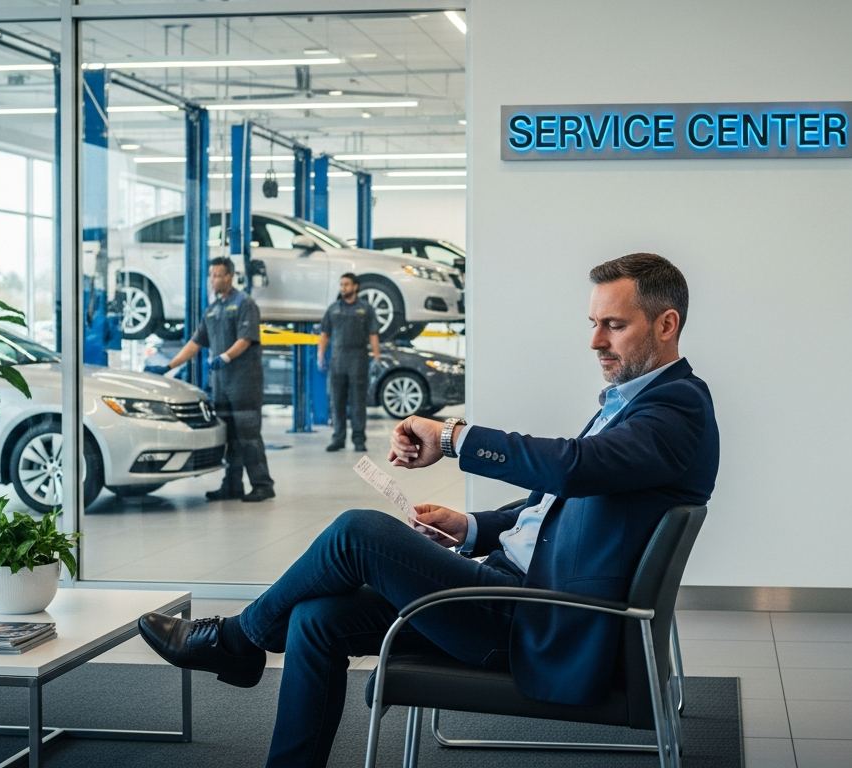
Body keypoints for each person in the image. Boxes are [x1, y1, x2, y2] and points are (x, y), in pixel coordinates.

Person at [137, 253, 718, 767]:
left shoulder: (676, 410)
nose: (595, 341)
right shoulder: (636, 403)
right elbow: (561, 502)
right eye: (593, 324)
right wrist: (470, 528)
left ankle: (238, 640)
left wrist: (452, 437)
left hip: (536, 616)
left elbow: (572, 468)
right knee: (316, 619)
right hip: (511, 588)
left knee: (357, 533)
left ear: (666, 325)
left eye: (613, 326)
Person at [152, 256, 275, 503]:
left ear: (230, 276)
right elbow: (196, 342)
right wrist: (168, 365)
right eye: (211, 275)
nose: (213, 280)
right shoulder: (212, 309)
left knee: (248, 434)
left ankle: (263, 484)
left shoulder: (244, 303)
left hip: (244, 382)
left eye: (218, 275)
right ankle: (232, 485)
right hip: (221, 384)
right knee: (228, 436)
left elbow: (247, 338)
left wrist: (226, 357)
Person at [318, 272, 381, 452]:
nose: (343, 288)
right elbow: (325, 334)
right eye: (341, 284)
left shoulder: (365, 309)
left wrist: (377, 356)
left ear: (355, 287)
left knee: (358, 402)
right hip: (338, 359)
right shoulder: (333, 309)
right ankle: (338, 438)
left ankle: (359, 439)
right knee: (337, 401)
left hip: (358, 358)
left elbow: (373, 334)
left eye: (346, 284)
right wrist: (320, 355)